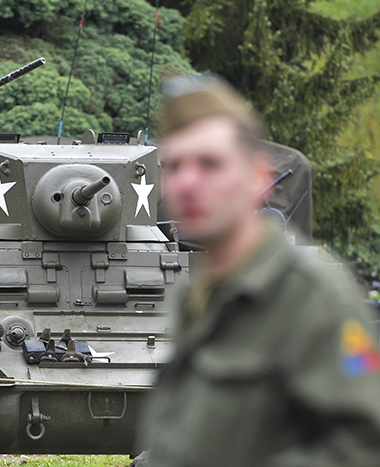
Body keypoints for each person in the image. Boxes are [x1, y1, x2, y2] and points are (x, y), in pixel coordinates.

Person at [137, 74, 380, 466]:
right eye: (175, 166)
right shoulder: (196, 294)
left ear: (259, 179)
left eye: (210, 164)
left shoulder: (317, 296)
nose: (188, 184)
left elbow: (365, 442)